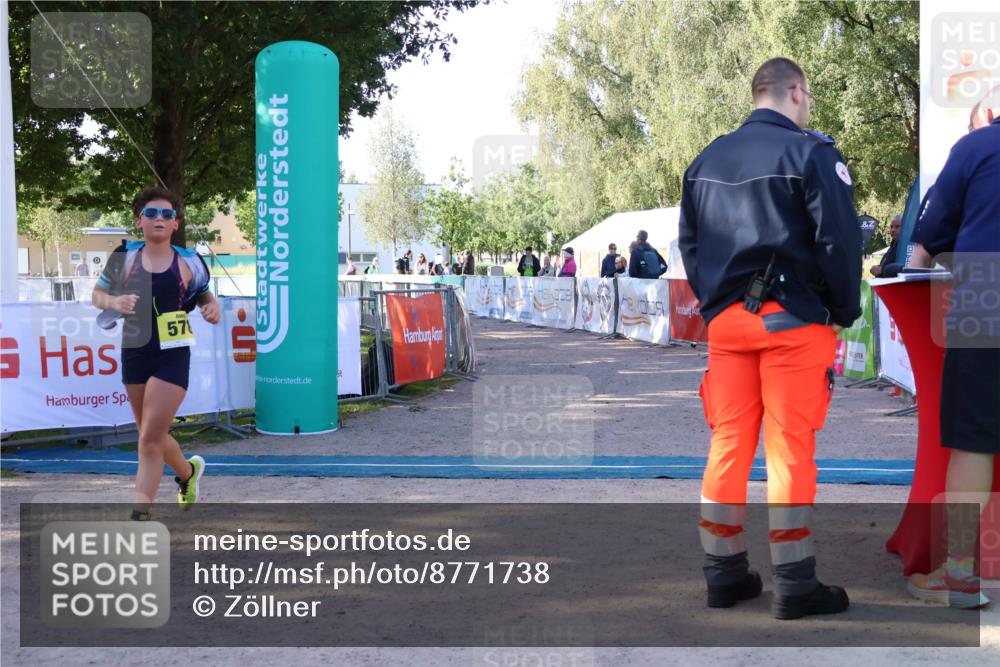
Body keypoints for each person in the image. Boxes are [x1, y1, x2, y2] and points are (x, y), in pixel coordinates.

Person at [678, 57, 861, 619]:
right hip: (792, 322)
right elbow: (839, 242)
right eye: (808, 98)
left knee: (727, 444)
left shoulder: (706, 159)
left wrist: (718, 303)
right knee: (789, 449)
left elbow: (688, 245)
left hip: (727, 326)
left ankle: (724, 573)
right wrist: (841, 311)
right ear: (797, 94)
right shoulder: (812, 154)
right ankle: (795, 582)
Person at [904, 90, 999, 609]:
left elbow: (929, 238)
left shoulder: (976, 146)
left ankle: (961, 576)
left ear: (986, 113)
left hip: (988, 294)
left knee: (973, 440)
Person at [92, 186, 221, 522]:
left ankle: (139, 517)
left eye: (167, 214)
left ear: (176, 223)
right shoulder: (124, 257)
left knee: (149, 439)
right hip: (134, 350)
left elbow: (207, 296)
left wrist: (213, 309)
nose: (159, 219)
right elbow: (98, 295)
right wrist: (114, 302)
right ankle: (188, 473)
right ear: (139, 222)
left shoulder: (190, 260)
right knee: (151, 434)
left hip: (172, 354)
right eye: (151, 214)